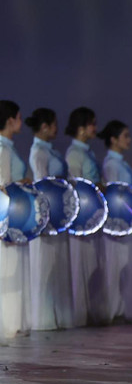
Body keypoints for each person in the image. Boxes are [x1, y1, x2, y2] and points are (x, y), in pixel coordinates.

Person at [26, 108, 74, 330]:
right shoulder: (39, 152)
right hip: (48, 215)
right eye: (54, 124)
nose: (56, 128)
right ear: (44, 126)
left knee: (58, 265)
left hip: (60, 214)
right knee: (47, 266)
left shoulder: (51, 150)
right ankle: (45, 318)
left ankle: (59, 315)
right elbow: (42, 184)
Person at [99, 120, 132, 324]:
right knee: (116, 265)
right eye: (125, 136)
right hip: (118, 221)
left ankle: (125, 309)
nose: (129, 140)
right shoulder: (111, 164)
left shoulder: (121, 163)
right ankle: (114, 310)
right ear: (113, 140)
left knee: (127, 264)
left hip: (129, 220)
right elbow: (115, 194)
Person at [64, 106, 101, 328]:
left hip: (93, 214)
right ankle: (79, 313)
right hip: (81, 216)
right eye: (92, 123)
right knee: (80, 264)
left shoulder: (88, 152)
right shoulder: (74, 153)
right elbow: (76, 186)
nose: (95, 128)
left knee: (91, 262)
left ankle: (89, 312)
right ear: (81, 128)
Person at [0, 100, 30, 339]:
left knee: (13, 265)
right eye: (19, 117)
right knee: (7, 265)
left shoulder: (8, 147)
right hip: (6, 215)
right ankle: (8, 324)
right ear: (10, 120)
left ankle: (13, 322)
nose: (21, 122)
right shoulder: (1, 148)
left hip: (14, 213)